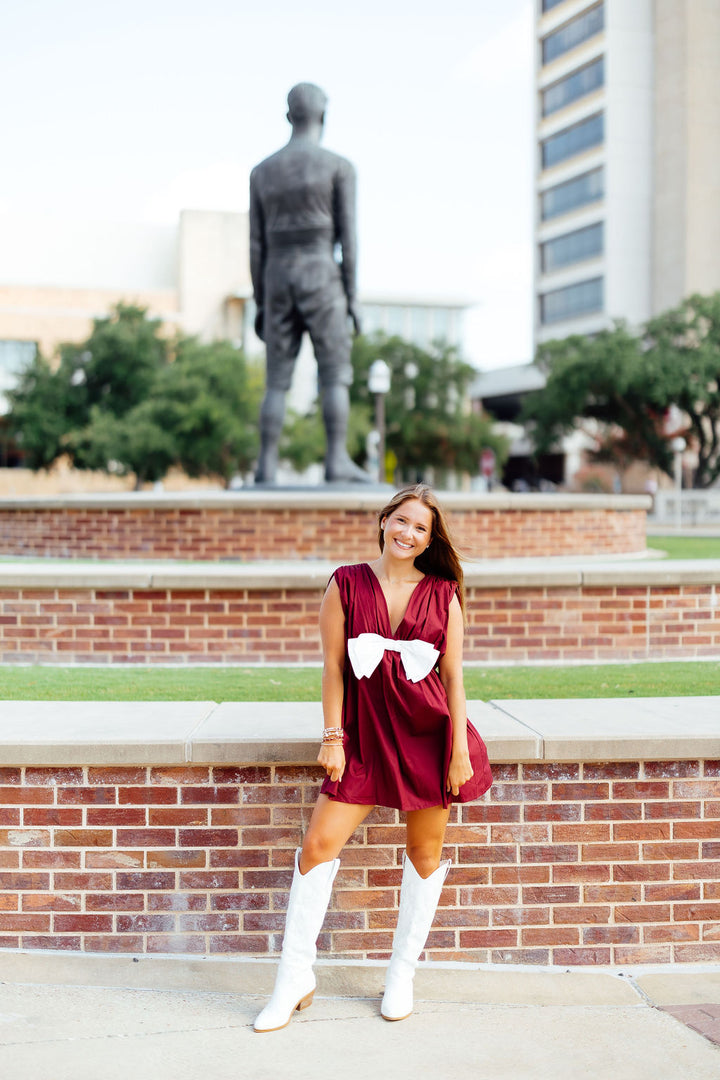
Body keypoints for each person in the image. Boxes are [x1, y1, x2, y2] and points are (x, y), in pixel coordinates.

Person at [253, 484, 493, 1033]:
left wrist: (458, 747)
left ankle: (401, 973)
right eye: (402, 521)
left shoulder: (443, 592)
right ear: (384, 520)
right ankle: (294, 978)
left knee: (424, 855)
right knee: (317, 846)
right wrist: (332, 735)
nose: (409, 534)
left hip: (428, 735)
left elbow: (454, 678)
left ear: (429, 540)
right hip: (362, 736)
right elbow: (333, 667)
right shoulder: (346, 583)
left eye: (421, 529)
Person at [249, 82, 371, 485]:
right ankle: (336, 460)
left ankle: (265, 466)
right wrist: (351, 296)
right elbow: (349, 238)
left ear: (289, 116)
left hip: (277, 275)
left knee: (276, 382)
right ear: (323, 115)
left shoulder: (262, 171)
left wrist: (261, 300)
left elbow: (256, 244)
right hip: (321, 271)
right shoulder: (339, 166)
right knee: (334, 374)